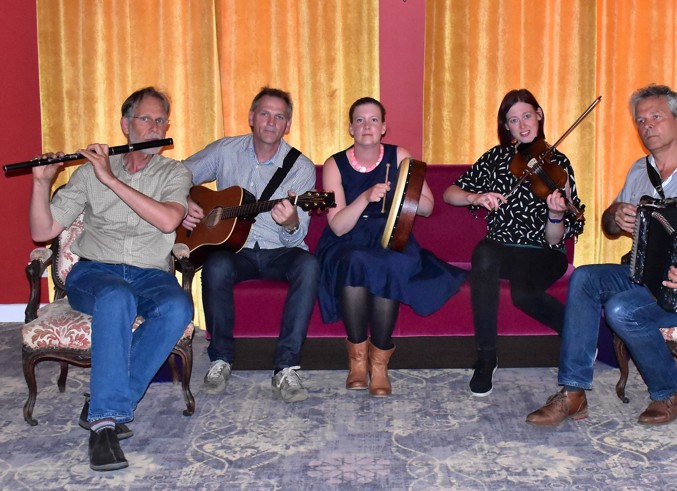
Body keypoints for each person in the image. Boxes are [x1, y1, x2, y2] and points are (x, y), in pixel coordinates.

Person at [526, 84, 677, 427]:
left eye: (656, 117)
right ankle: (573, 393)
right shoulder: (639, 171)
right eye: (641, 120)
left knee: (622, 310)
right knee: (585, 277)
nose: (647, 125)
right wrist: (615, 215)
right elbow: (608, 225)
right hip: (643, 275)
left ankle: (672, 389)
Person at [29, 87, 194, 471]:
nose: (154, 127)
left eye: (160, 120)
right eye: (145, 119)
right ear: (125, 124)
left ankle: (105, 403)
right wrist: (41, 183)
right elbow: (43, 230)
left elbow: (169, 220)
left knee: (177, 307)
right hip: (95, 272)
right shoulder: (89, 173)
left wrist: (112, 180)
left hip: (150, 274)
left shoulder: (175, 173)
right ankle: (104, 424)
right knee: (117, 296)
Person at [316, 97, 466, 397]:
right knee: (354, 260)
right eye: (360, 120)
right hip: (348, 239)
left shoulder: (401, 157)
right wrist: (365, 197)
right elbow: (338, 226)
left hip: (391, 235)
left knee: (388, 262)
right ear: (351, 128)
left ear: (383, 127)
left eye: (374, 120)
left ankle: (380, 364)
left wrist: (402, 192)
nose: (367, 126)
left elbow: (427, 208)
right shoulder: (334, 164)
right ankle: (358, 362)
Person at [443, 89, 584, 396]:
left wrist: (556, 214)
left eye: (527, 116)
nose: (522, 125)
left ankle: (577, 334)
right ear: (506, 126)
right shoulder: (496, 157)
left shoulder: (558, 164)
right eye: (513, 120)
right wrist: (476, 197)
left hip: (543, 251)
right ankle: (486, 357)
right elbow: (450, 193)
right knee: (484, 252)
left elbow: (554, 239)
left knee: (523, 293)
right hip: (502, 248)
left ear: (539, 115)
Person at [182, 86, 319, 403]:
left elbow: (297, 236)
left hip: (280, 252)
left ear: (287, 124)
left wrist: (290, 222)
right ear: (251, 117)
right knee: (215, 265)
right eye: (265, 114)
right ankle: (220, 359)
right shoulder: (225, 151)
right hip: (235, 251)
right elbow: (177, 173)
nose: (271, 122)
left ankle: (286, 366)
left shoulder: (300, 168)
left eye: (279, 117)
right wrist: (183, 201)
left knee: (309, 265)